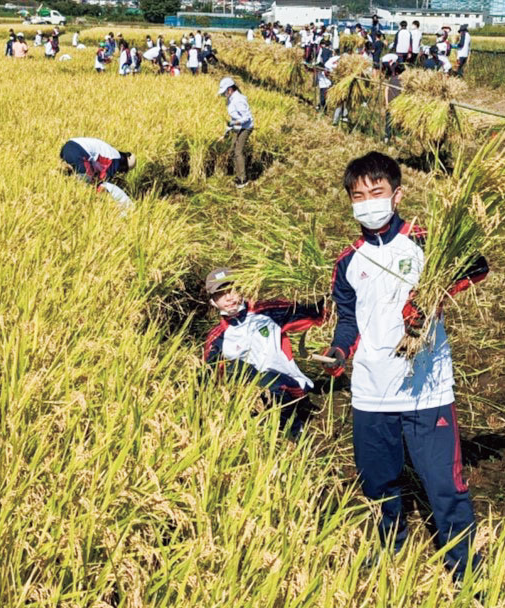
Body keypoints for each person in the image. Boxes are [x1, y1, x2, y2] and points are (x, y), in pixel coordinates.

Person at [322, 152, 486, 581]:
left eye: (376, 192)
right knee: (379, 485)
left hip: (426, 389)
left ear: (397, 195)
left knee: (444, 487)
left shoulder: (426, 240)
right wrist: (340, 354)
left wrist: (428, 299)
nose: (368, 202)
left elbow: (476, 265)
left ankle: (464, 571)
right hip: (372, 392)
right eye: (359, 196)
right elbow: (349, 321)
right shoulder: (347, 261)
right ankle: (388, 550)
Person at [202, 268, 325, 438]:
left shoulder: (267, 311)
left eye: (232, 289)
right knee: (238, 369)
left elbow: (316, 312)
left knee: (275, 385)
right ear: (213, 302)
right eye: (221, 294)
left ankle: (296, 433)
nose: (229, 297)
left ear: (243, 289)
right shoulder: (217, 337)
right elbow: (209, 377)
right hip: (254, 397)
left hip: (289, 384)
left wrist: (324, 291)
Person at [59, 137, 135, 207]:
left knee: (67, 178)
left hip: (67, 147)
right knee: (85, 184)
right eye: (124, 170)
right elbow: (103, 178)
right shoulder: (117, 160)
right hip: (79, 152)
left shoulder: (112, 152)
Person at [218, 77, 254, 189]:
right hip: (238, 126)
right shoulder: (230, 99)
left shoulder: (238, 99)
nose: (223, 94)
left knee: (238, 151)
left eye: (224, 92)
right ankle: (238, 175)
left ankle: (243, 180)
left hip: (245, 127)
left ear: (229, 89)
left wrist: (235, 123)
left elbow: (247, 118)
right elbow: (233, 119)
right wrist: (225, 133)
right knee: (232, 150)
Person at [382, 54, 403, 143]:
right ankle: (392, 136)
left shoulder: (392, 79)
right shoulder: (402, 81)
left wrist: (386, 102)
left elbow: (386, 89)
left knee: (389, 121)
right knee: (394, 121)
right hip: (396, 104)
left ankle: (388, 137)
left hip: (392, 103)